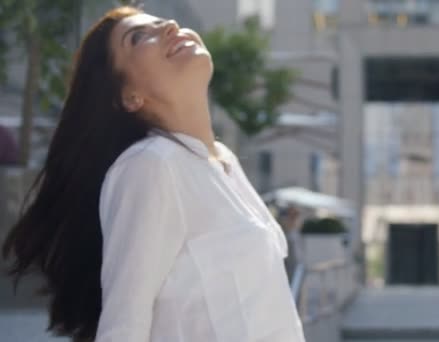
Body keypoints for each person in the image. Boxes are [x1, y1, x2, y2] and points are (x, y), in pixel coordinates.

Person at [1, 6, 305, 342]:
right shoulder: (151, 166)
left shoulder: (225, 163)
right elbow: (124, 326)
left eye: (162, 22)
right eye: (139, 36)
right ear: (129, 96)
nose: (172, 26)